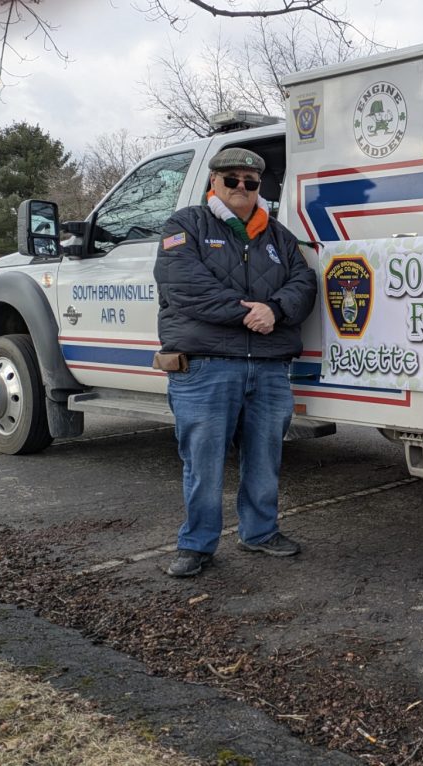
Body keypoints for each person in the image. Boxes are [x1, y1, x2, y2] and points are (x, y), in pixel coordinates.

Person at [154, 147, 318, 578]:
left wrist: (276, 310)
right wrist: (250, 312)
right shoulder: (185, 225)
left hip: (268, 366)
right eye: (231, 180)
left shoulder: (279, 236)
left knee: (265, 458)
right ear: (214, 182)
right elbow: (183, 285)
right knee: (203, 463)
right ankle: (196, 544)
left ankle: (260, 532)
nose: (241, 187)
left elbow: (304, 282)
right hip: (206, 367)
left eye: (250, 182)